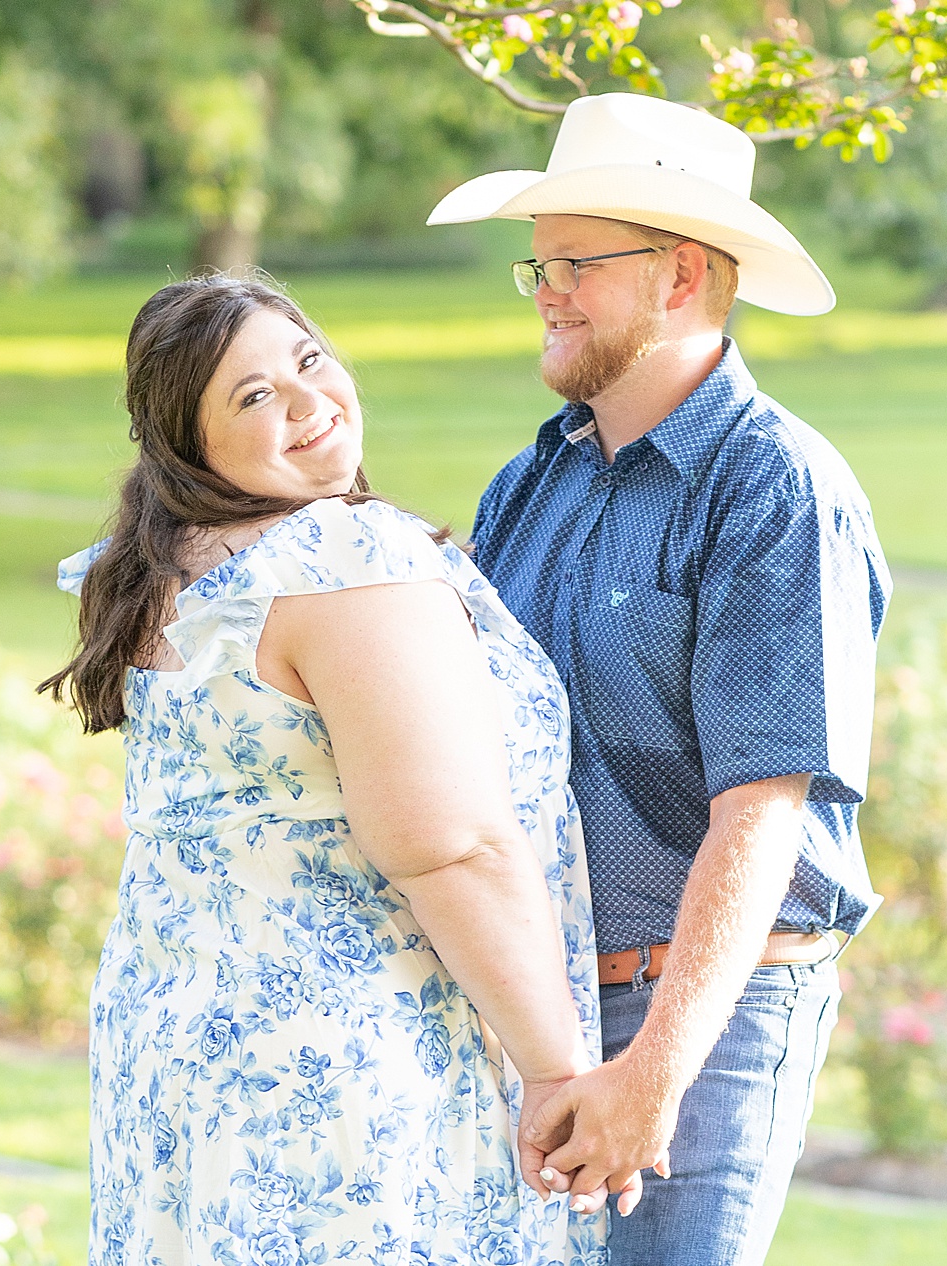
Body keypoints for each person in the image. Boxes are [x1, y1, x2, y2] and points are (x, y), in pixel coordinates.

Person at [41, 273, 627, 1265]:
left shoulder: (172, 566)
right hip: (345, 1061)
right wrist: (557, 1072)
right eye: (253, 396)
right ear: (191, 445)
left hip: (182, 1048)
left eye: (308, 362)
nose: (308, 403)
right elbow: (453, 846)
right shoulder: (344, 559)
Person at [426, 92, 892, 1263]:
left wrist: (656, 1070)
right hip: (539, 1013)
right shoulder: (531, 481)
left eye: (576, 262)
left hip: (704, 1024)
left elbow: (764, 804)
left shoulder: (773, 488)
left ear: (681, 274)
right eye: (538, 262)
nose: (545, 288)